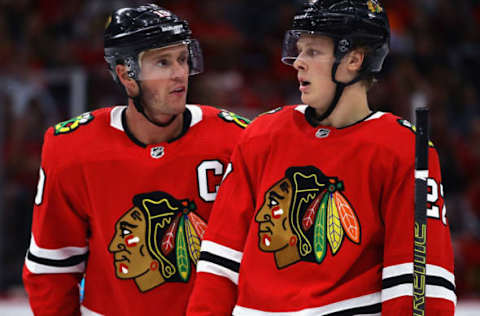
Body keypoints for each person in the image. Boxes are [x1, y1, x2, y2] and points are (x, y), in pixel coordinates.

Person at [187, 1, 456, 315]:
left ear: (354, 59)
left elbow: (418, 280)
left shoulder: (400, 148)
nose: (298, 62)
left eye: (312, 51)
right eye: (299, 50)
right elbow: (221, 261)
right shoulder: (263, 134)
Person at [22, 4, 248, 315]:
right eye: (163, 62)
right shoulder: (71, 148)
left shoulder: (238, 140)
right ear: (127, 75)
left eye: (183, 59)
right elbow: (51, 266)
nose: (179, 73)